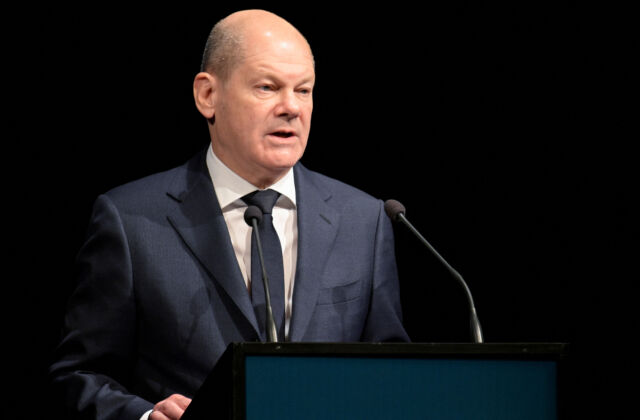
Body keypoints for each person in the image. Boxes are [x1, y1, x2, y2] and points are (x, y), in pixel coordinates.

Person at [49, 9, 408, 420]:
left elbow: (391, 373)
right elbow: (79, 374)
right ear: (208, 96)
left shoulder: (364, 220)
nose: (291, 107)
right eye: (267, 87)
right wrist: (145, 417)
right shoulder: (130, 221)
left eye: (304, 90)